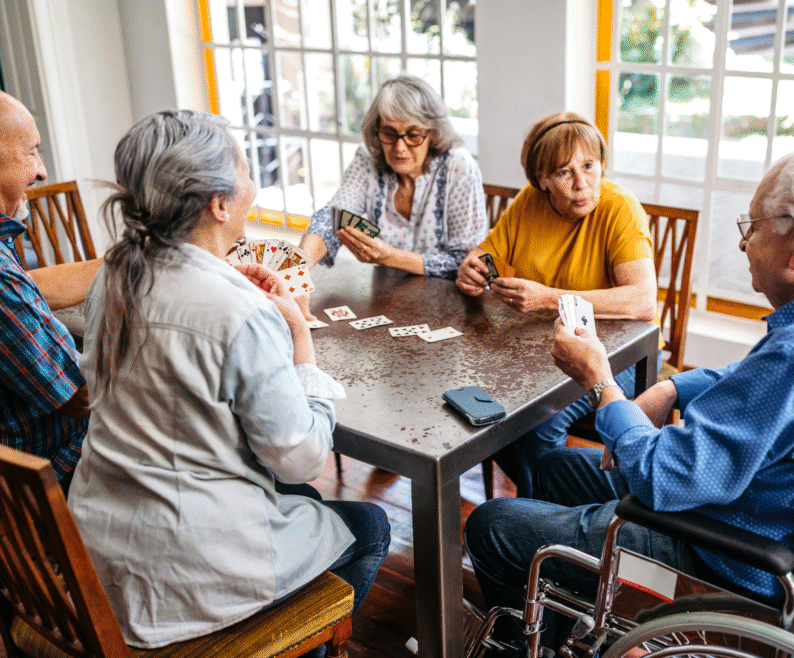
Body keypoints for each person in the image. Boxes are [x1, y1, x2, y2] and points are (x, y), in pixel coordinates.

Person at [464, 143, 794, 653]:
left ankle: (548, 624)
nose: (743, 244)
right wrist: (673, 385)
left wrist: (601, 382)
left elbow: (661, 479)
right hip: (775, 522)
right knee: (553, 468)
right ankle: (567, 601)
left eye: (752, 228)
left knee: (491, 525)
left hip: (712, 559)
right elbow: (763, 381)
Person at [67, 110, 390, 653]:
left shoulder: (114, 274)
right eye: (246, 171)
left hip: (103, 554)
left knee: (281, 495)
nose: (253, 185)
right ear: (219, 204)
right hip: (189, 572)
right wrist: (301, 349)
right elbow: (304, 462)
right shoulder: (238, 311)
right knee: (370, 527)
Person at [455, 112, 657, 497]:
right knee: (482, 408)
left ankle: (536, 511)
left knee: (537, 421)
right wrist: (472, 269)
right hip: (539, 349)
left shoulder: (620, 207)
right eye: (565, 173)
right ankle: (542, 500)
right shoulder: (529, 202)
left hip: (624, 353)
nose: (582, 184)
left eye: (589, 166)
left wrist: (550, 299)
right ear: (542, 179)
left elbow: (643, 302)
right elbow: (486, 257)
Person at [298, 74, 487, 291]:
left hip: (451, 297)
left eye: (413, 134)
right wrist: (297, 269)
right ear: (376, 130)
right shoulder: (367, 159)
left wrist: (389, 256)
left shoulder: (459, 165)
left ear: (433, 134)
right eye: (389, 133)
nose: (400, 147)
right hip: (386, 294)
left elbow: (467, 263)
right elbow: (333, 218)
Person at [0, 91, 102, 489]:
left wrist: (134, 260)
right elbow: (82, 397)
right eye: (31, 153)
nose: (42, 171)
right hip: (49, 478)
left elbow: (30, 289)